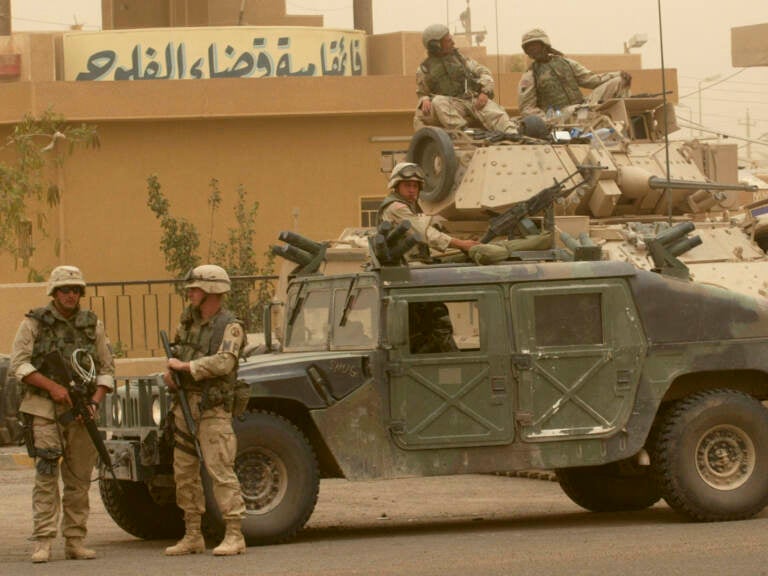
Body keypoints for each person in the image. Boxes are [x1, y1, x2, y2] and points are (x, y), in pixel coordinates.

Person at [10, 265, 115, 563]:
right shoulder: (34, 323)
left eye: (75, 290)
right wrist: (53, 387)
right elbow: (20, 364)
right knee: (46, 475)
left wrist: (94, 402)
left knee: (79, 478)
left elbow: (107, 369)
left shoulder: (91, 325)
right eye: (65, 290)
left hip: (81, 410)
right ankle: (43, 539)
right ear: (54, 293)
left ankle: (75, 539)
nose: (70, 295)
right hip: (44, 408)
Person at [163, 264, 247, 557]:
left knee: (220, 470)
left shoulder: (231, 326)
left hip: (213, 408)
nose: (190, 293)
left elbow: (224, 362)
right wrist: (171, 373)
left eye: (195, 288)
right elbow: (176, 354)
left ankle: (234, 534)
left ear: (212, 290)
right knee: (184, 472)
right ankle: (192, 534)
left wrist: (187, 367)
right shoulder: (187, 323)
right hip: (185, 405)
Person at [415, 23, 517, 133]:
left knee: (496, 113)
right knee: (438, 101)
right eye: (448, 41)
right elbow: (422, 92)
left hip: (472, 99)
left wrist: (484, 92)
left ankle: (512, 134)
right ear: (436, 45)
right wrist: (425, 99)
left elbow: (484, 72)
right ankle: (466, 132)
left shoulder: (461, 60)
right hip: (452, 104)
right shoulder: (424, 69)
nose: (453, 43)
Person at [517, 28, 632, 119]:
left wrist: (618, 74)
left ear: (544, 45)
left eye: (535, 47)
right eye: (529, 48)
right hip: (558, 116)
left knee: (619, 82)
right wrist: (547, 120)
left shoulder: (566, 63)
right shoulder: (529, 76)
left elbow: (592, 80)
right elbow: (527, 108)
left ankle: (625, 123)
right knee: (574, 110)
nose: (532, 51)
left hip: (582, 107)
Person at [378, 161, 479, 258]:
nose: (412, 190)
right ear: (396, 186)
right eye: (407, 185)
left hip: (414, 260)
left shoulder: (412, 206)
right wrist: (461, 244)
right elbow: (423, 233)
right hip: (404, 263)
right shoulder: (396, 207)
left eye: (415, 186)